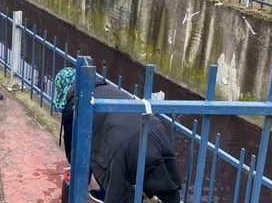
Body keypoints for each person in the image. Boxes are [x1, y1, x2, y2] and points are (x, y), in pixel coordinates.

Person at [60, 71, 182, 203]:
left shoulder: (74, 104)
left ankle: (109, 194)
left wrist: (79, 170)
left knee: (104, 165)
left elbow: (73, 147)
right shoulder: (109, 88)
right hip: (153, 128)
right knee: (161, 172)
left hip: (123, 144)